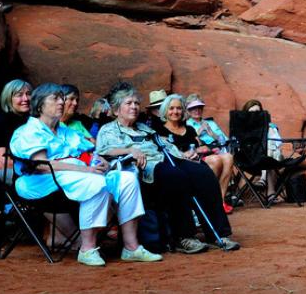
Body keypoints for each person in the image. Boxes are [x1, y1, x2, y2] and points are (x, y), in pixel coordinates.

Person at [12, 84, 161, 267]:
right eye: (55, 98)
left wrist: (99, 161)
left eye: (62, 98)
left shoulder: (65, 130)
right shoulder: (29, 131)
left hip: (75, 176)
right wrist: (87, 170)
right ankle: (87, 249)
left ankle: (131, 247)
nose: (62, 102)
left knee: (127, 178)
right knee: (95, 181)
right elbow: (42, 165)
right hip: (41, 180)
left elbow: (89, 151)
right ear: (40, 105)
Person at [96, 89, 238, 253]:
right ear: (116, 110)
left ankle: (218, 234)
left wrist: (184, 155)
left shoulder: (144, 128)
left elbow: (167, 147)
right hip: (144, 168)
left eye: (136, 103)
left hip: (165, 159)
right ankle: (183, 236)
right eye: (128, 103)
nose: (134, 107)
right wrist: (130, 151)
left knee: (203, 173)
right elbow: (103, 150)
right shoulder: (108, 130)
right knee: (176, 177)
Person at [183, 95, 235, 200]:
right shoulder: (186, 124)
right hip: (202, 153)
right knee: (218, 159)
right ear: (188, 110)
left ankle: (221, 200)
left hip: (217, 149)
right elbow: (190, 143)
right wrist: (199, 131)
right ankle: (209, 198)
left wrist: (211, 133)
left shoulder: (210, 123)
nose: (197, 110)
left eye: (199, 107)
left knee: (229, 157)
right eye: (193, 108)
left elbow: (224, 140)